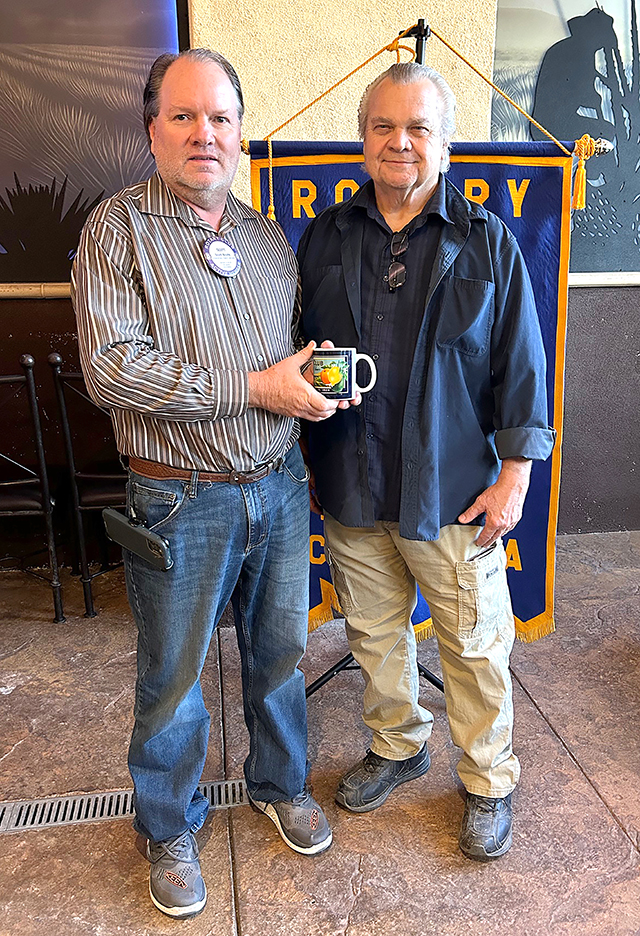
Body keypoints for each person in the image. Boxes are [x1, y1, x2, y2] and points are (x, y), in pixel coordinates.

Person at [72, 49, 338, 920]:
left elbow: (286, 350)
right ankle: (170, 823)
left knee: (280, 656)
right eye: (184, 117)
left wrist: (311, 378)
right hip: (179, 497)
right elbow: (112, 369)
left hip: (280, 483)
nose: (204, 135)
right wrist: (253, 386)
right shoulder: (117, 231)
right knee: (176, 676)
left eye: (220, 118)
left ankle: (278, 781)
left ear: (240, 133)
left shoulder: (266, 238)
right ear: (152, 130)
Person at [297, 63, 556, 861]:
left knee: (474, 648)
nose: (399, 142)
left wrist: (516, 476)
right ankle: (398, 744)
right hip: (351, 483)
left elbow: (521, 363)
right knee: (374, 636)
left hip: (452, 493)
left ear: (444, 144)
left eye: (419, 128)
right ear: (363, 137)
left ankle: (486, 780)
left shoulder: (486, 241)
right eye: (384, 126)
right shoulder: (327, 234)